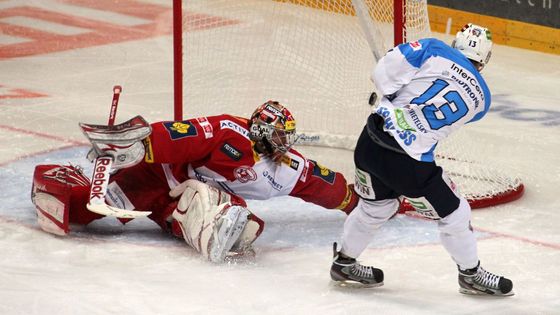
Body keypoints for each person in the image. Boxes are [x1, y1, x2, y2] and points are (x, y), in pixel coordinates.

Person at [31, 100, 358, 263]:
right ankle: (67, 181)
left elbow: (323, 184)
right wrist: (135, 148)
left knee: (234, 218)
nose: (284, 142)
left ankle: (180, 218)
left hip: (199, 194)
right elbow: (178, 135)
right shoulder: (228, 130)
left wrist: (358, 204)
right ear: (259, 130)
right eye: (278, 135)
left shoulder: (288, 166)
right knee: (80, 210)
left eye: (286, 135)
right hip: (154, 176)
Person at [329, 24, 514, 296]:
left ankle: (344, 262)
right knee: (456, 213)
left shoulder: (432, 48)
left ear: (455, 44)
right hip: (408, 162)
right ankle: (470, 274)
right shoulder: (482, 99)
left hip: (370, 140)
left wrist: (394, 94)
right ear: (484, 60)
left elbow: (381, 75)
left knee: (375, 208)